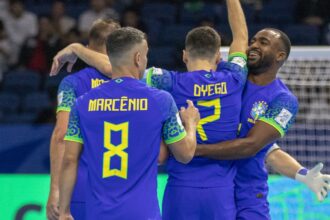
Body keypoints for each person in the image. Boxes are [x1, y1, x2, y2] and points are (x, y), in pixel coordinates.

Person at [51, 1, 247, 219]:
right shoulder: (234, 78)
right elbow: (240, 38)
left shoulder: (167, 81)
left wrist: (77, 49)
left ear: (184, 56)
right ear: (220, 58)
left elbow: (114, 67)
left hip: (174, 190)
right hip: (217, 192)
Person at [58, 27, 200, 220]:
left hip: (98, 213)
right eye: (147, 56)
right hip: (143, 213)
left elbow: (68, 160)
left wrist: (64, 211)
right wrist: (191, 123)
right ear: (138, 58)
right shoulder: (161, 100)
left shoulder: (82, 103)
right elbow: (185, 154)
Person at [195, 28, 330, 219]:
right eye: (253, 40)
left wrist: (303, 175)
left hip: (248, 193)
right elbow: (268, 151)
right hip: (208, 185)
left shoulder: (282, 100)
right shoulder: (228, 77)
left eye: (263, 42)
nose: (254, 45)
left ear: (279, 55)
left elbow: (258, 147)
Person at [46, 19, 120, 220]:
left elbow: (62, 135)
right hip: (124, 186)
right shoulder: (134, 81)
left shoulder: (72, 83)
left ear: (89, 49)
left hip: (81, 185)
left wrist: (55, 189)